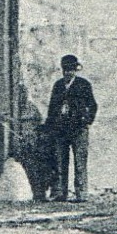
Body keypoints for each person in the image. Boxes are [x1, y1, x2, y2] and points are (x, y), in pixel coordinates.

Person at [45, 54, 97, 202]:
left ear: (76, 70)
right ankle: (61, 193)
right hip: (61, 130)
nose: (69, 73)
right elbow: (52, 108)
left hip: (78, 129)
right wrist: (50, 126)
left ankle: (81, 194)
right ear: (62, 70)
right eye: (66, 70)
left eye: (72, 70)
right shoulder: (58, 86)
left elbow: (93, 105)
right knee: (60, 162)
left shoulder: (83, 85)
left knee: (80, 162)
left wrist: (87, 121)